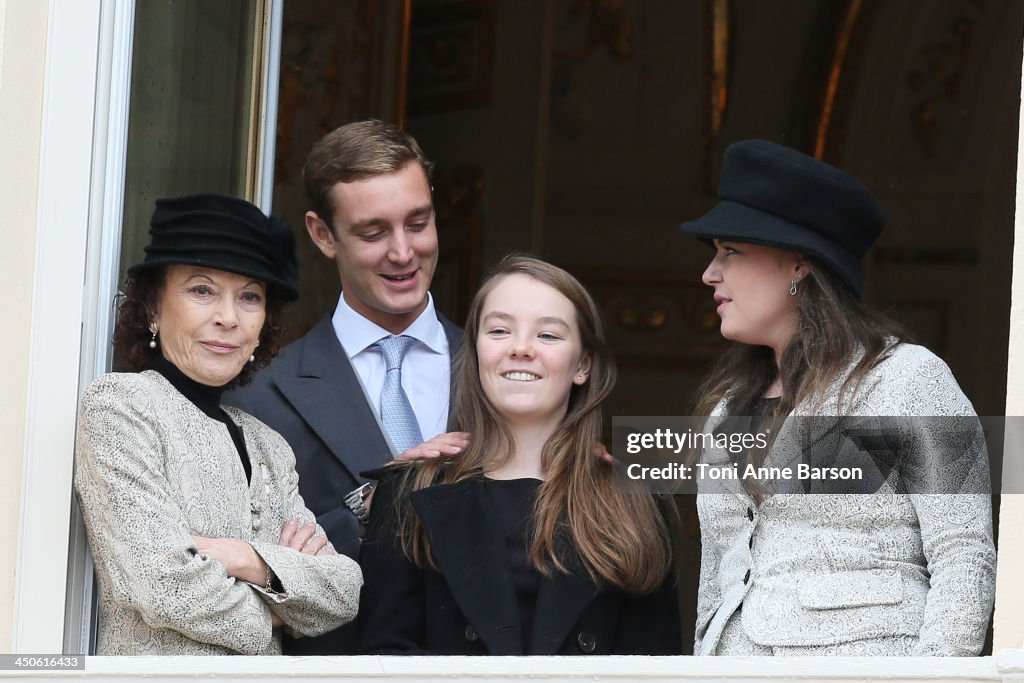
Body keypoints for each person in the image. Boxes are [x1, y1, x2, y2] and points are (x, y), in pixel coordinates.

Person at [680, 140, 996, 656]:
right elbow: (717, 582)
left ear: (800, 264)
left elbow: (964, 555)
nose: (710, 273)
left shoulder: (909, 380)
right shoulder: (726, 412)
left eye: (730, 251)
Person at [74, 194, 362, 655]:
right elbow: (164, 586)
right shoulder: (121, 408)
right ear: (153, 307)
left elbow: (342, 589)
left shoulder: (269, 445)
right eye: (202, 290)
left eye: (249, 296)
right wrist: (276, 608)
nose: (228, 317)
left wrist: (246, 558)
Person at [356, 255, 682, 655]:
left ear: (582, 365)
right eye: (499, 330)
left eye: (548, 335)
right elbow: (384, 661)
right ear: (475, 354)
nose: (521, 348)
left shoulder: (636, 499)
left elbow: (656, 669)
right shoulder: (409, 493)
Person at [225, 120, 464, 654]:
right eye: (374, 233)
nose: (403, 253)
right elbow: (243, 575)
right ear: (322, 234)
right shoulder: (257, 396)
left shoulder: (513, 374)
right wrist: (378, 503)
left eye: (418, 223)